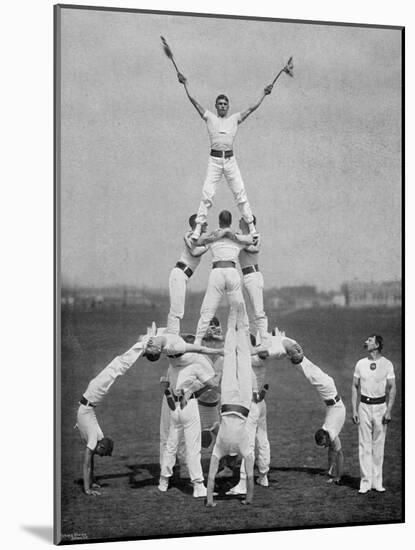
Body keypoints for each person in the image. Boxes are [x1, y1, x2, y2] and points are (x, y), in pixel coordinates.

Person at [177, 71, 273, 240]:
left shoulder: (235, 118)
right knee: (207, 194)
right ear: (216, 106)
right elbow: (194, 101)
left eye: (224, 104)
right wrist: (185, 84)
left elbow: (251, 108)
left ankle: (251, 228)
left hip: (230, 160)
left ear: (228, 106)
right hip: (214, 160)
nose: (222, 106)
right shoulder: (209, 118)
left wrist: (263, 94)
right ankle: (198, 229)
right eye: (219, 104)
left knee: (240, 192)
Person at [75, 340, 145, 496]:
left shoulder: (96, 438)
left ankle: (142, 343)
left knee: (117, 367)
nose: (101, 456)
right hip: (92, 397)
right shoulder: (94, 437)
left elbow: (90, 461)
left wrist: (92, 482)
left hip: (90, 400)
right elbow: (86, 464)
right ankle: (143, 343)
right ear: (100, 446)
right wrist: (88, 489)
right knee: (118, 368)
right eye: (103, 453)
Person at [206, 304, 256, 507]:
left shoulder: (219, 449)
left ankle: (234, 312)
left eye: (233, 463)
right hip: (243, 401)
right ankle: (239, 313)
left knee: (230, 356)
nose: (236, 463)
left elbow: (211, 476)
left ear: (230, 461)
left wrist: (210, 499)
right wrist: (248, 499)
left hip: (228, 401)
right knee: (243, 357)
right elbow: (250, 477)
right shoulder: (244, 450)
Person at [158, 350, 219, 498]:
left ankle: (163, 481)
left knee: (171, 444)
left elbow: (166, 385)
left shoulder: (173, 367)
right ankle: (198, 486)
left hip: (174, 407)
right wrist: (216, 377)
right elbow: (213, 383)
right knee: (193, 447)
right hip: (189, 406)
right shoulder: (195, 366)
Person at [193, 210, 255, 346]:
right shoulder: (233, 236)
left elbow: (197, 241)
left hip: (218, 272)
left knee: (208, 308)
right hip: (231, 272)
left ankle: (198, 341)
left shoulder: (218, 235)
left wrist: (225, 234)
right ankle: (246, 339)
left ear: (219, 221)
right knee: (239, 307)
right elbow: (251, 239)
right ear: (230, 222)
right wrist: (226, 234)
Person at [226, 333, 270, 495]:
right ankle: (263, 475)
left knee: (248, 443)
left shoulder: (249, 359)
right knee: (262, 439)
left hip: (250, 405)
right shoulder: (257, 358)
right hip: (260, 403)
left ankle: (244, 483)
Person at [351, 335, 396, 494]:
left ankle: (377, 482)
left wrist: (389, 410)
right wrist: (354, 409)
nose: (366, 342)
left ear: (376, 345)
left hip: (380, 408)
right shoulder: (360, 364)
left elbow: (392, 388)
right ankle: (365, 482)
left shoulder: (387, 364)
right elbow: (354, 387)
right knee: (364, 445)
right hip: (364, 406)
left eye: (370, 340)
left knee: (379, 445)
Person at [295, 357, 346, 484]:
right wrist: (329, 471)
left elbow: (340, 455)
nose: (325, 445)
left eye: (324, 443)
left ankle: (296, 358)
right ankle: (298, 359)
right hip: (331, 399)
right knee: (312, 373)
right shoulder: (328, 433)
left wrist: (338, 478)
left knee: (311, 374)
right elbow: (332, 449)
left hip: (328, 390)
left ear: (325, 437)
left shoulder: (331, 433)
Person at [167, 214, 209, 334]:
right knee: (177, 310)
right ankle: (173, 337)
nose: (206, 224)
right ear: (197, 225)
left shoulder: (197, 238)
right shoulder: (191, 235)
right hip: (179, 273)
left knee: (178, 309)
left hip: (183, 275)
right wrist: (207, 247)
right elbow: (194, 252)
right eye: (204, 223)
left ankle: (172, 334)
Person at [238, 216, 268, 342]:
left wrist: (238, 240)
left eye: (241, 219)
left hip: (253, 275)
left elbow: (254, 249)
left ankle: (265, 339)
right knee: (248, 313)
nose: (239, 221)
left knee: (258, 312)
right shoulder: (240, 237)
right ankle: (252, 341)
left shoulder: (255, 236)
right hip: (245, 276)